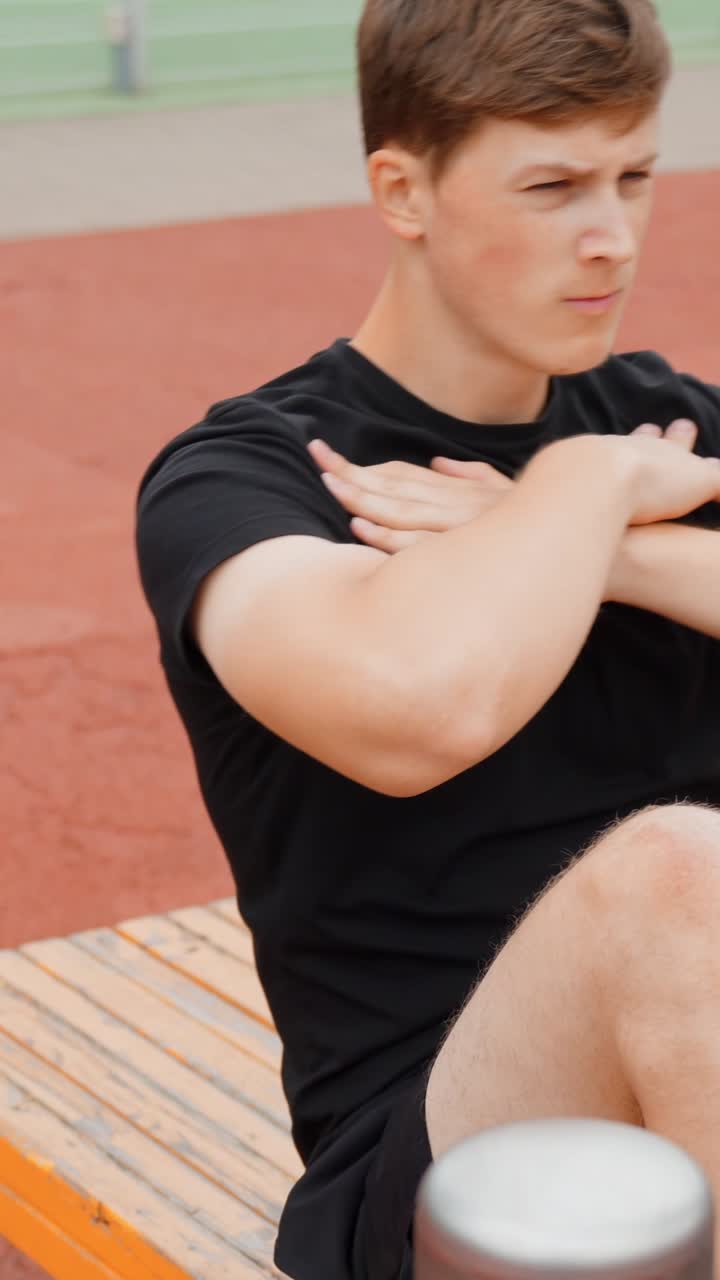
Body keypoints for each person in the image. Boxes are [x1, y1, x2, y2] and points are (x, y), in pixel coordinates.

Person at [135, 1, 720, 1277]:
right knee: (681, 873)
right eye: (554, 184)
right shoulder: (253, 477)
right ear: (403, 190)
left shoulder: (667, 426)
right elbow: (415, 711)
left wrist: (627, 550)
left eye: (636, 176)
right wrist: (582, 485)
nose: (612, 238)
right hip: (441, 1158)